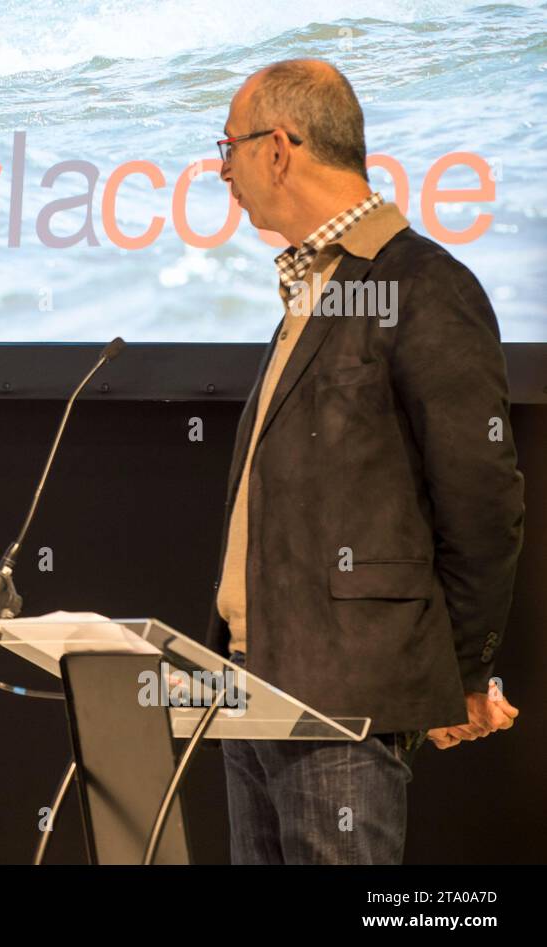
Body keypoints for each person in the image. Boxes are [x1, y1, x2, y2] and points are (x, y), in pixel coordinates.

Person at [205, 59, 524, 864]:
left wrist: (460, 672)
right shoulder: (313, 286)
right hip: (251, 687)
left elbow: (482, 499)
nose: (222, 170)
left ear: (279, 148)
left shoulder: (424, 285)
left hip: (344, 701)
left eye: (229, 147)